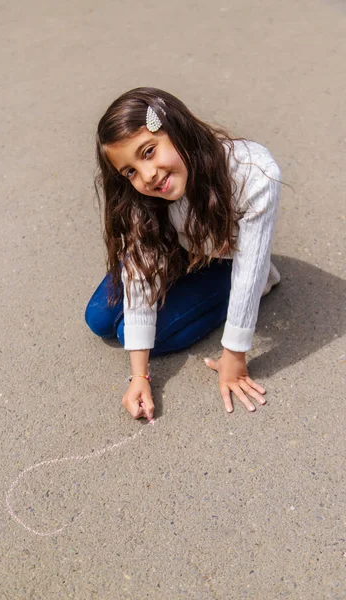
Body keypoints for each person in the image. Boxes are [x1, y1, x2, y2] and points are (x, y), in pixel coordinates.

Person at [85, 87, 281, 421]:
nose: (147, 176)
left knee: (134, 336)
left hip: (227, 259)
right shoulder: (144, 194)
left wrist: (234, 357)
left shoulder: (254, 172)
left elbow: (247, 269)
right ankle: (182, 278)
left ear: (175, 128)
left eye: (148, 151)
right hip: (178, 249)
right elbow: (138, 269)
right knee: (99, 319)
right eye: (130, 171)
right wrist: (139, 376)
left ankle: (268, 278)